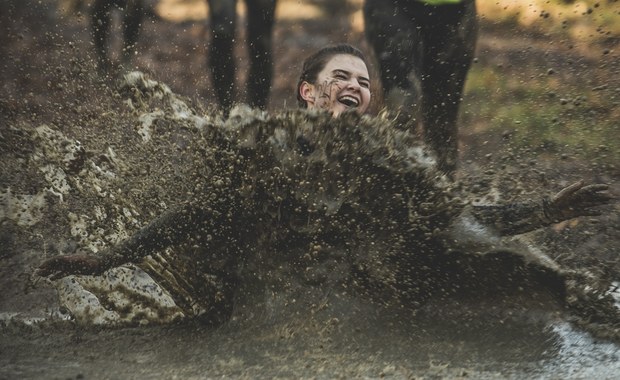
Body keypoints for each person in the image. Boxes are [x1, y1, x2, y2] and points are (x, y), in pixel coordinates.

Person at [36, 44, 614, 322]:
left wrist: (548, 209)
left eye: (364, 83)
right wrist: (107, 258)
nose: (357, 87)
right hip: (247, 277)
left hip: (348, 283)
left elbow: (455, 220)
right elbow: (200, 214)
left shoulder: (387, 160)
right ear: (308, 93)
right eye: (342, 76)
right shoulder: (267, 144)